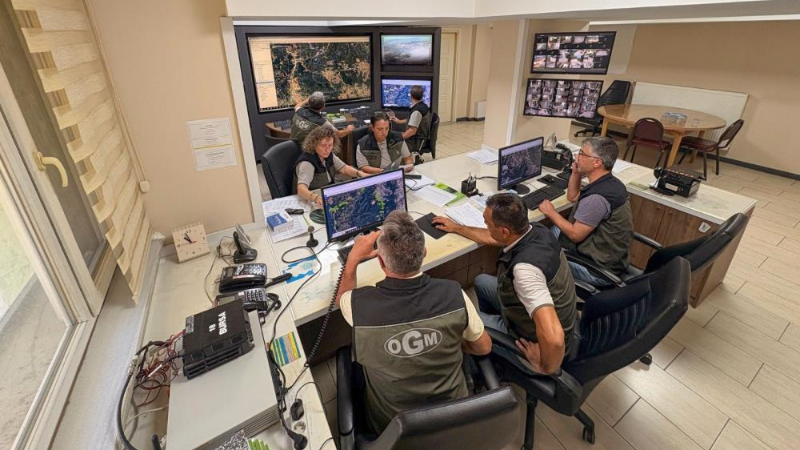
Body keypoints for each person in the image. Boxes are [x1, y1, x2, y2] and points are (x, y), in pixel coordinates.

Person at [335, 211, 492, 434]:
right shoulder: (454, 294)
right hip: (454, 417)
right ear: (424, 253)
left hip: (395, 431)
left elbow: (341, 297)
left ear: (381, 262)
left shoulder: (358, 306)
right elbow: (484, 346)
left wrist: (352, 259)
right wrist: (450, 342)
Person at [432, 194, 578, 374]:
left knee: (462, 321)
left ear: (504, 231)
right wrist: (457, 228)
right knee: (481, 281)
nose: (485, 225)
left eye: (487, 223)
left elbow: (554, 338)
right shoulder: (537, 231)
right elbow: (494, 237)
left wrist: (546, 367)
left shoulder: (525, 272)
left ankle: (486, 356)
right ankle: (491, 352)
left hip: (536, 344)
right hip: (541, 317)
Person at [538, 137, 633, 286]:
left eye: (582, 154)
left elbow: (575, 235)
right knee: (548, 232)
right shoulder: (610, 183)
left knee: (537, 251)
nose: (577, 157)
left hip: (597, 269)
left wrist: (550, 212)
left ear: (597, 162)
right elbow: (573, 196)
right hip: (604, 253)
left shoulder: (597, 198)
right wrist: (576, 173)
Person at [293, 125, 366, 206]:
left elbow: (344, 168)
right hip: (310, 200)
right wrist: (316, 198)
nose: (327, 149)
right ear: (314, 144)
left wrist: (360, 173)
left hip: (327, 193)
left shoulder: (327, 155)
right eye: (323, 145)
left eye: (330, 145)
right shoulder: (307, 163)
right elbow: (301, 189)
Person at [289, 91, 354, 144]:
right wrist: (348, 129)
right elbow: (339, 134)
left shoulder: (299, 111)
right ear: (323, 107)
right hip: (306, 151)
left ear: (309, 103)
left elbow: (297, 106)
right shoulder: (322, 123)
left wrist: (307, 100)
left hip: (291, 146)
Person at [390, 85, 431, 155]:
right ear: (422, 96)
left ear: (411, 96)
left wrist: (400, 138)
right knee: (392, 134)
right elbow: (415, 121)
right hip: (419, 139)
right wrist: (399, 121)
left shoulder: (417, 111)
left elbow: (412, 131)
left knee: (392, 140)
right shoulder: (423, 106)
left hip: (415, 141)